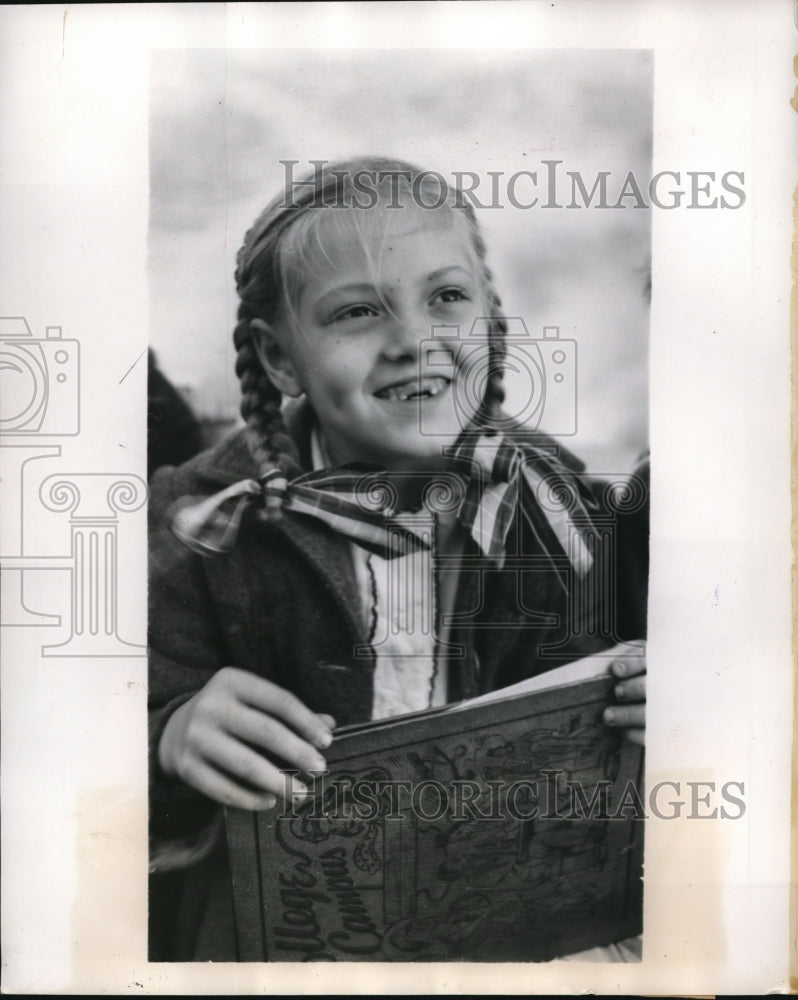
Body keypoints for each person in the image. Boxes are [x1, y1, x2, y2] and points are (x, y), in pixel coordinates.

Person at [147, 157, 646, 961]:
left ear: (489, 316)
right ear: (280, 361)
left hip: (511, 932)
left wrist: (663, 712)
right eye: (356, 312)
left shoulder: (559, 504)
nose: (414, 340)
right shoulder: (206, 521)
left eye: (446, 297)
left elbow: (630, 680)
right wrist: (168, 736)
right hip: (276, 946)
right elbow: (82, 731)